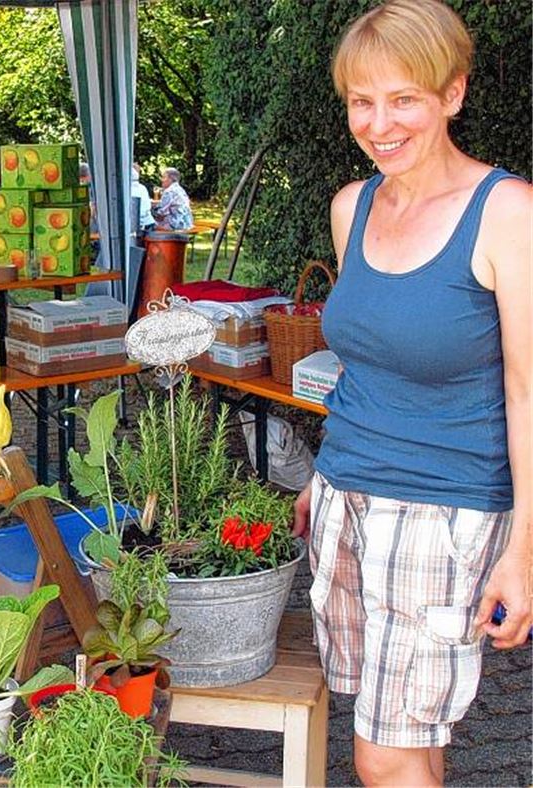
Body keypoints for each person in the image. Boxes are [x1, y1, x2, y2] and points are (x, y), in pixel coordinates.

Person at [289, 3, 531, 786]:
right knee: (406, 735)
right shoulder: (351, 208)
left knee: (383, 757)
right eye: (362, 100)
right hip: (347, 502)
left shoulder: (508, 214)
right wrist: (326, 475)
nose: (378, 123)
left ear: (452, 95)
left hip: (447, 511)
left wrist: (524, 553)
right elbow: (369, 364)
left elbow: (529, 393)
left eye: (404, 100)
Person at [130, 165, 155, 236]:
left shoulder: (127, 190)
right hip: (149, 223)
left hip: (136, 226)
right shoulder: (142, 188)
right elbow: (148, 207)